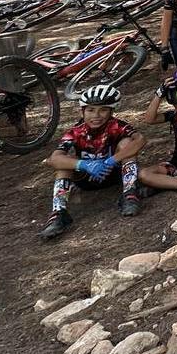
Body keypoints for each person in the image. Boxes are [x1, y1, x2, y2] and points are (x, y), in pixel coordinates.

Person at [39, 84, 147, 239]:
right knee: (63, 163)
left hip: (114, 173)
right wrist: (83, 164)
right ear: (82, 111)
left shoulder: (116, 125)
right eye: (90, 110)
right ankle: (59, 213)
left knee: (127, 143)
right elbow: (53, 159)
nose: (96, 115)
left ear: (111, 111)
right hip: (86, 178)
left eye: (103, 109)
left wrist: (111, 160)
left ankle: (130, 193)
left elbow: (141, 139)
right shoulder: (75, 132)